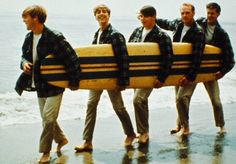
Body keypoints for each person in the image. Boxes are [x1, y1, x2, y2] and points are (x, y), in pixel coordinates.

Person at [18, 5, 80, 163]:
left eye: (26, 17)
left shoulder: (54, 36)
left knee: (48, 117)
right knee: (47, 118)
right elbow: (24, 57)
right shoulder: (29, 37)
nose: (24, 20)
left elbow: (71, 58)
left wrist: (74, 82)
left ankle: (45, 152)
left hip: (55, 85)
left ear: (35, 18)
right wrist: (24, 63)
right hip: (39, 85)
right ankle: (61, 139)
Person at [74, 4, 136, 152]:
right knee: (91, 104)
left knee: (118, 107)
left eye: (104, 12)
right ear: (95, 16)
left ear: (109, 14)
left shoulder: (115, 35)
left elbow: (123, 59)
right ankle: (87, 141)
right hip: (97, 78)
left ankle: (130, 133)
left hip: (111, 78)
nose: (101, 14)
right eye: (98, 12)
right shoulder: (98, 33)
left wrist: (122, 81)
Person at [156, 3, 205, 135]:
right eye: (182, 13)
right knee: (180, 99)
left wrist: (189, 76)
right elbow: (165, 23)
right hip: (177, 70)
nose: (184, 15)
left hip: (190, 71)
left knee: (180, 98)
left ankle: (186, 127)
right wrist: (152, 18)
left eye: (187, 13)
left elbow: (197, 57)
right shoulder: (178, 24)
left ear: (193, 13)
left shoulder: (198, 32)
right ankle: (179, 124)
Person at [129, 5, 173, 144]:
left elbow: (168, 58)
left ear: (153, 17)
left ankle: (143, 132)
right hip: (137, 75)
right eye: (141, 16)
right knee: (142, 102)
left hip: (151, 76)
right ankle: (144, 131)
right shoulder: (137, 31)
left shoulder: (162, 36)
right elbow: (129, 50)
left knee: (137, 100)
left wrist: (161, 78)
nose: (142, 19)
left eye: (145, 16)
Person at [196, 2, 235, 133]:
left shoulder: (222, 33)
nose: (209, 16)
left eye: (212, 13)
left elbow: (230, 58)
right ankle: (181, 126)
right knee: (183, 98)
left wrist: (222, 72)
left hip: (209, 71)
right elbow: (178, 24)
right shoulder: (198, 23)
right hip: (194, 69)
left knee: (216, 101)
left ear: (218, 14)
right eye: (208, 13)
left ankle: (221, 126)